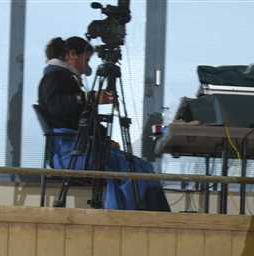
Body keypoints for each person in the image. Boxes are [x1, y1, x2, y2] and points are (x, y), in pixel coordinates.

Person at [38, 36, 170, 212]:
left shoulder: (63, 78)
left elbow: (79, 119)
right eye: (86, 60)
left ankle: (128, 215)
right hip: (70, 151)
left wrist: (105, 139)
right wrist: (88, 98)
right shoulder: (54, 77)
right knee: (135, 169)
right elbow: (58, 108)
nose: (86, 67)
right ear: (72, 55)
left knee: (139, 167)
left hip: (80, 148)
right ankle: (140, 217)